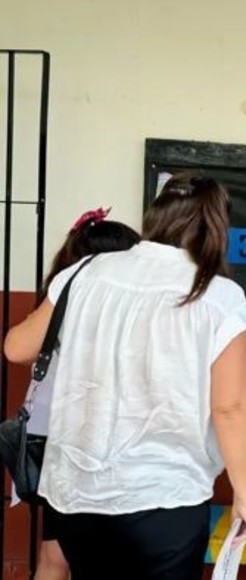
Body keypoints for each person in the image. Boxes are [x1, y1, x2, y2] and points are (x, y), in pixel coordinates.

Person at [5, 174, 246, 580]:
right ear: (215, 228)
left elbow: (17, 348)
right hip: (165, 495)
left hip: (76, 490)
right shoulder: (218, 297)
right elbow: (228, 407)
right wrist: (244, 496)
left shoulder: (85, 271)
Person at [13, 208, 140, 580]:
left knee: (55, 556)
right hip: (102, 449)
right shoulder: (125, 308)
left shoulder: (57, 298)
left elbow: (18, 349)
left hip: (54, 446)